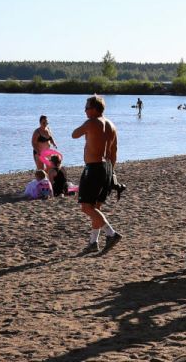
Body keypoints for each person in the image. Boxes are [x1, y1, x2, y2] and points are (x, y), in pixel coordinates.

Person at [72, 95, 121, 253]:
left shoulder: (91, 122)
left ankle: (111, 233)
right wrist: (111, 172)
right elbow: (114, 152)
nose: (84, 110)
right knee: (96, 208)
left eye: (86, 107)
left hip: (93, 168)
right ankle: (93, 242)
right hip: (107, 168)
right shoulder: (112, 125)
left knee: (86, 207)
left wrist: (87, 128)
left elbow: (74, 134)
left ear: (94, 109)